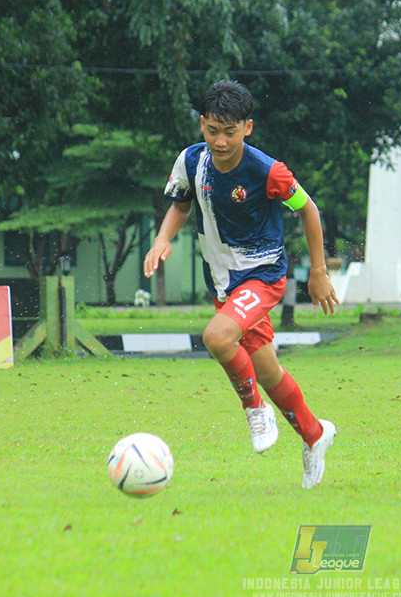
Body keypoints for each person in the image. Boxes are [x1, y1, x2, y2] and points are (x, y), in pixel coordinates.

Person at [143, 79, 340, 489]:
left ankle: (255, 411)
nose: (219, 140)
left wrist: (318, 273)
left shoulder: (268, 171)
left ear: (247, 128)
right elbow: (181, 205)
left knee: (217, 338)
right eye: (212, 130)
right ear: (202, 124)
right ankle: (315, 435)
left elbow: (310, 210)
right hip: (223, 283)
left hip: (263, 274)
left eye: (229, 132)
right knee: (268, 371)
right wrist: (163, 239)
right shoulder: (190, 161)